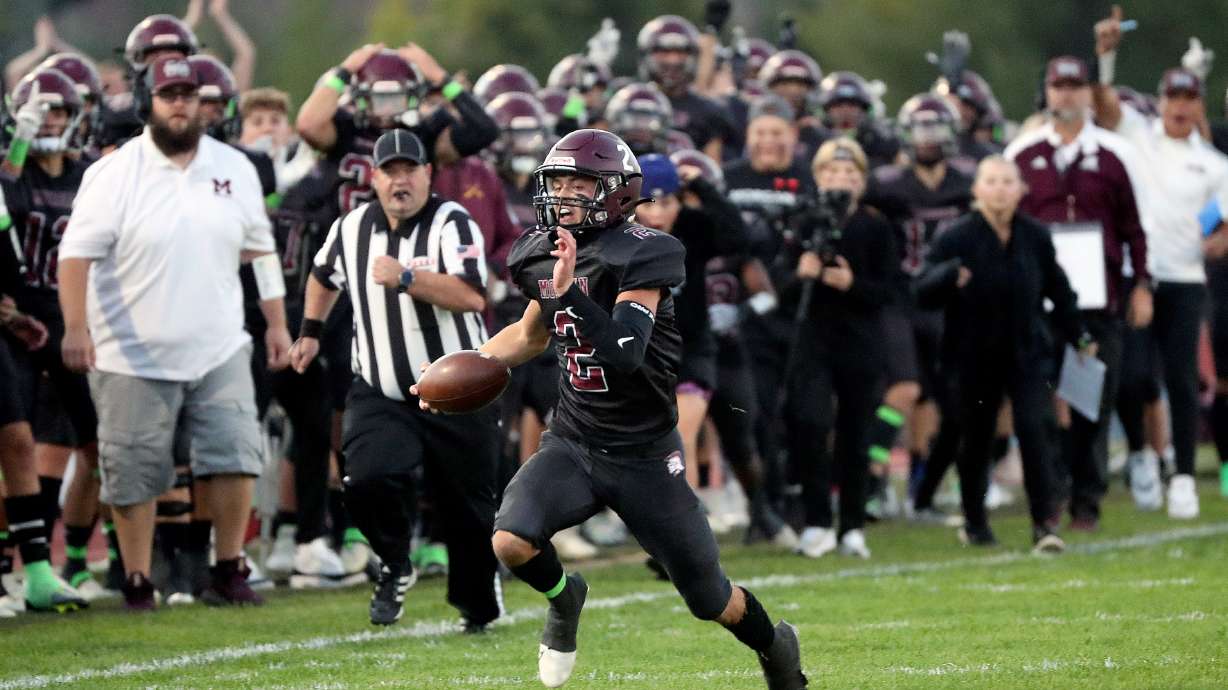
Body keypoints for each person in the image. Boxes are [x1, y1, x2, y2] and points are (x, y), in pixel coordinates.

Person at [413, 129, 806, 689]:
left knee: (709, 598)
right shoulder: (541, 250)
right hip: (574, 439)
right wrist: (457, 371)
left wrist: (570, 290)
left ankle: (775, 646)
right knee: (510, 539)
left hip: (645, 455)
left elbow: (624, 352)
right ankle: (564, 597)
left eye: (581, 183)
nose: (566, 194)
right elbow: (528, 336)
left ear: (617, 192)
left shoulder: (649, 250)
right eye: (559, 182)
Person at [57, 56, 291, 610]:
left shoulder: (233, 166)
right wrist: (74, 326)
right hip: (130, 348)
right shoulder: (113, 172)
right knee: (134, 469)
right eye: (170, 94)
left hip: (219, 341)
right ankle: (137, 579)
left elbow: (261, 252)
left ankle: (229, 567)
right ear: (150, 102)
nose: (181, 103)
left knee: (235, 453)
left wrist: (278, 323)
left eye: (190, 92)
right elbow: (76, 255)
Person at [292, 129, 502, 630]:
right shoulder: (351, 227)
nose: (400, 180)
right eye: (390, 171)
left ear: (429, 174)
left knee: (468, 511)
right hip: (382, 387)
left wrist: (407, 277)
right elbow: (323, 276)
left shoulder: (453, 222)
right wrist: (311, 331)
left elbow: (473, 296)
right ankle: (394, 561)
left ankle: (477, 601)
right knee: (365, 479)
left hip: (458, 390)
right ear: (374, 177)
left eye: (410, 170)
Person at [1005, 55, 1151, 531]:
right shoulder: (1022, 155)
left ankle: (1087, 496)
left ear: (1090, 92)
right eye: (1058, 85)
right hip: (1039, 301)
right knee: (1042, 401)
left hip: (1098, 299)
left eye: (1075, 85)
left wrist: (1141, 285)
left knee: (1092, 402)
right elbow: (1006, 226)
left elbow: (1134, 228)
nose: (1066, 94)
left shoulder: (1115, 154)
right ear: (1046, 91)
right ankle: (1051, 493)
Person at [1093, 9, 1228, 519]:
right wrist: (1106, 59)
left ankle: (1186, 477)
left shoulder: (1213, 164)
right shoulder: (1138, 136)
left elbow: (1222, 222)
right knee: (1130, 377)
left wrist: (1218, 243)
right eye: (1173, 97)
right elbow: (1105, 108)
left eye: (1189, 98)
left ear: (1198, 106)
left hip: (1185, 278)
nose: (1180, 106)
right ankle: (1145, 454)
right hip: (1136, 276)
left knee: (1181, 378)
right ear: (1161, 101)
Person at [917, 156, 1090, 550]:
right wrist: (948, 276)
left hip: (1027, 353)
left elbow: (1059, 291)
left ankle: (1045, 524)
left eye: (1007, 181)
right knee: (976, 439)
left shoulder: (1035, 236)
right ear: (977, 190)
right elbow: (921, 289)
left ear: (1021, 189)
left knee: (1035, 430)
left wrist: (1079, 334)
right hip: (970, 356)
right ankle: (975, 521)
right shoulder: (955, 237)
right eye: (991, 181)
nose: (999, 189)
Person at [1, 68, 105, 602]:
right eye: (41, 112)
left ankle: (79, 557)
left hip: (68, 317)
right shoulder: (11, 171)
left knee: (98, 443)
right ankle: (12, 564)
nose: (50, 121)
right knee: (13, 438)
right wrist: (19, 138)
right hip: (15, 315)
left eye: (59, 111)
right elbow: (5, 196)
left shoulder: (89, 173)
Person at [865, 93, 975, 522]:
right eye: (920, 130)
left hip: (948, 301)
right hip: (900, 299)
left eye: (936, 129)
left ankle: (921, 484)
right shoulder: (886, 184)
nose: (928, 139)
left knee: (939, 399)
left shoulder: (968, 181)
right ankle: (872, 478)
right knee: (905, 389)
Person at [785, 139, 896, 559]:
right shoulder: (805, 220)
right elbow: (781, 284)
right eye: (832, 173)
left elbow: (887, 290)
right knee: (811, 424)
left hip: (860, 341)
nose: (841, 181)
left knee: (856, 433)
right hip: (813, 339)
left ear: (863, 181)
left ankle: (851, 525)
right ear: (818, 177)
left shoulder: (875, 224)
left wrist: (853, 285)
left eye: (850, 174)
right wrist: (802, 273)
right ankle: (816, 522)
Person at [637, 14, 737, 162]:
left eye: (680, 52)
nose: (673, 60)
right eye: (665, 52)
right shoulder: (632, 99)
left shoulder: (708, 111)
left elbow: (713, 170)